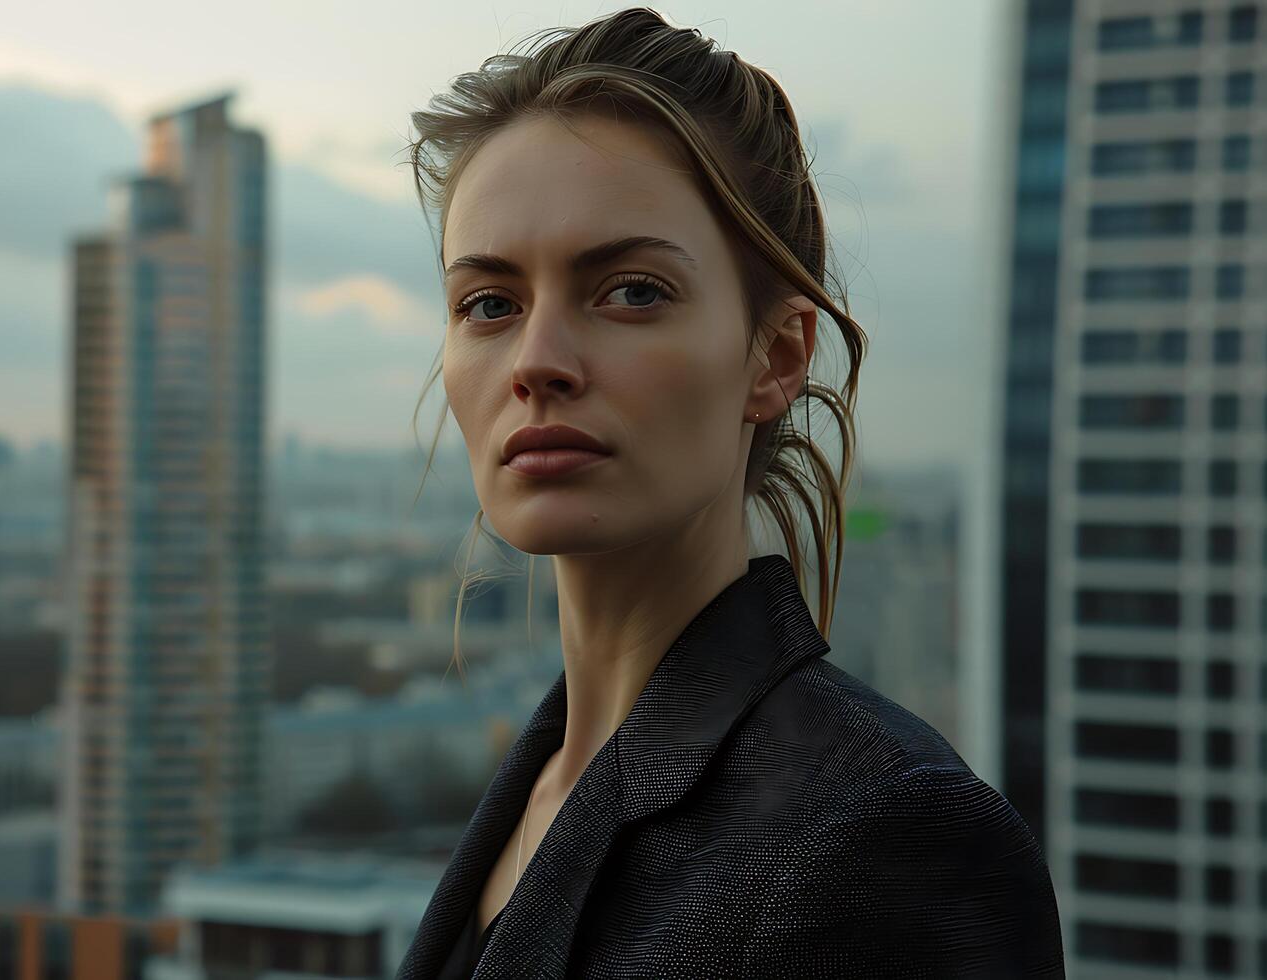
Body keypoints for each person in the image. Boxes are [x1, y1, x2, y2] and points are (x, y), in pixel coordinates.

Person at [393, 8, 1064, 978]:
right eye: (489, 303)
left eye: (631, 290)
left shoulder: (882, 833)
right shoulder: (536, 783)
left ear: (774, 356)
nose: (537, 362)